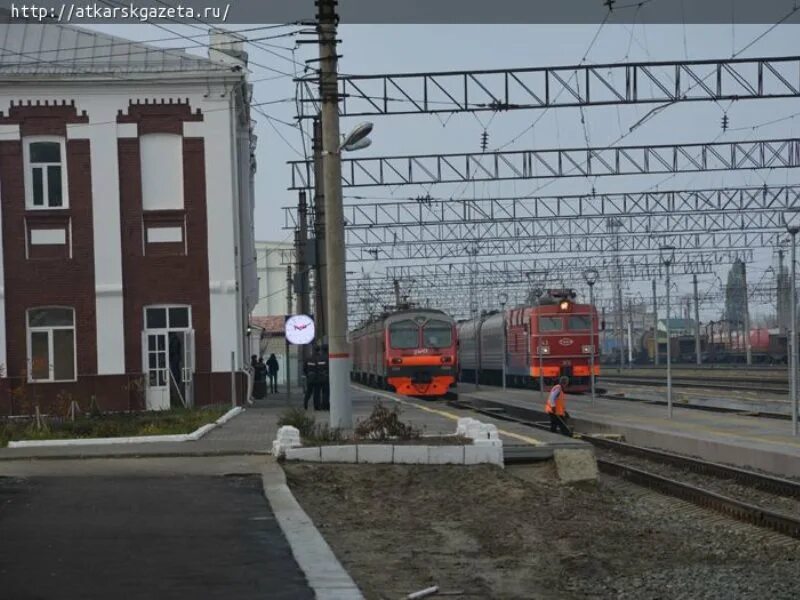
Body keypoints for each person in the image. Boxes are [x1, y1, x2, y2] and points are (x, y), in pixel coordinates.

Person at [303, 346, 324, 411]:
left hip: (310, 378)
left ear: (313, 350)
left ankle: (305, 403)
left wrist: (308, 375)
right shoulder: (320, 358)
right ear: (319, 350)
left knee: (308, 391)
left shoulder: (308, 358)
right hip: (317, 378)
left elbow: (304, 368)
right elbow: (321, 368)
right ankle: (316, 407)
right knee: (316, 393)